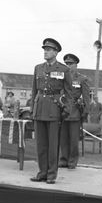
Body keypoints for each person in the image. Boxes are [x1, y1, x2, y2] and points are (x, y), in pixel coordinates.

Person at [30, 37, 73, 184]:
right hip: (40, 107)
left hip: (54, 108)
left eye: (48, 50)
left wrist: (66, 109)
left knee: (53, 144)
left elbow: (69, 92)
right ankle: (42, 172)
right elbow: (34, 90)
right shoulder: (38, 68)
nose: (45, 52)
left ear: (55, 52)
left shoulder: (63, 69)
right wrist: (32, 109)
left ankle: (51, 174)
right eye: (44, 49)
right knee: (41, 144)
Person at [58, 53, 90, 169]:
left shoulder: (82, 79)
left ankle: (72, 161)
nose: (68, 66)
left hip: (75, 112)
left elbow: (86, 97)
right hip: (63, 111)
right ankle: (63, 159)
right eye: (66, 63)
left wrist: (85, 112)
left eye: (70, 64)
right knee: (63, 138)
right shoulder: (61, 77)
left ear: (76, 65)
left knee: (73, 139)